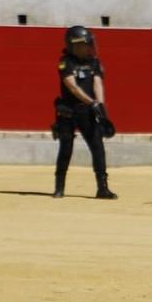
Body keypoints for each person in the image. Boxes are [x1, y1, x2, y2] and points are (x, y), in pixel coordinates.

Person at [51, 25, 114, 200]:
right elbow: (72, 87)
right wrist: (92, 102)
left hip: (88, 112)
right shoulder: (65, 62)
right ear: (75, 45)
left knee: (98, 147)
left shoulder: (94, 63)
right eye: (86, 44)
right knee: (66, 148)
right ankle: (59, 187)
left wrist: (100, 107)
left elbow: (97, 83)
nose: (90, 47)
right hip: (68, 112)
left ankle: (102, 188)